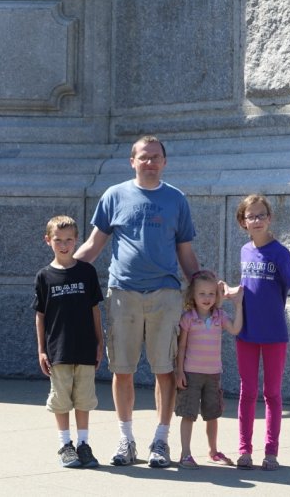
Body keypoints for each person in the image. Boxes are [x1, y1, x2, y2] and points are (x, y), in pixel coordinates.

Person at [74, 135, 200, 468]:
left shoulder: (177, 200)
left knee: (164, 370)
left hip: (166, 295)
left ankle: (161, 440)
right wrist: (62, 271)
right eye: (144, 157)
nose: (150, 162)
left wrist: (204, 286)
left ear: (164, 162)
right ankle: (125, 439)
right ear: (132, 161)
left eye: (156, 157)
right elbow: (93, 246)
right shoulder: (114, 196)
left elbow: (186, 254)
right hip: (123, 295)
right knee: (123, 370)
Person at [229, 194, 290, 471]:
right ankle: (244, 451)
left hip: (275, 335)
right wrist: (230, 293)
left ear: (270, 218)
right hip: (246, 333)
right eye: (250, 216)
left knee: (272, 394)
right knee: (247, 392)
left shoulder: (280, 253)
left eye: (261, 215)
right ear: (243, 222)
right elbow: (248, 289)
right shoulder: (244, 251)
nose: (256, 220)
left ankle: (271, 452)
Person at [33, 215, 104, 469]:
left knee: (84, 398)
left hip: (85, 348)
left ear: (77, 241)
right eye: (58, 240)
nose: (64, 245)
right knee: (61, 399)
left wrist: (100, 342)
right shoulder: (44, 277)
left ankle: (84, 445)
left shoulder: (87, 272)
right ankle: (66, 445)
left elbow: (95, 310)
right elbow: (40, 316)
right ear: (48, 241)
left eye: (69, 240)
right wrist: (42, 350)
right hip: (58, 351)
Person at [174, 270, 243, 469]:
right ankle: (185, 453)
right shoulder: (187, 318)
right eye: (202, 293)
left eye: (211, 293)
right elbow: (182, 347)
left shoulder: (220, 316)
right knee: (188, 414)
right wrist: (179, 372)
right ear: (192, 296)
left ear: (217, 295)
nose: (207, 298)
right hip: (191, 374)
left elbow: (236, 329)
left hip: (213, 374)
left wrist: (238, 304)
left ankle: (213, 451)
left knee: (212, 415)